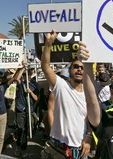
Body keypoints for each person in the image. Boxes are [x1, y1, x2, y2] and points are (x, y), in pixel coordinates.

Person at [41, 30, 91, 159]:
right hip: (58, 147)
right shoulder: (61, 86)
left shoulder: (90, 93)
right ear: (70, 71)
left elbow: (93, 119)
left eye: (82, 67)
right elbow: (46, 66)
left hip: (80, 149)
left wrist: (89, 137)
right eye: (75, 66)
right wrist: (48, 43)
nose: (79, 69)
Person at [13, 65, 39, 157]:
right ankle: (18, 146)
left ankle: (23, 149)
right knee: (20, 129)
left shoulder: (34, 84)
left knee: (26, 131)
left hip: (29, 110)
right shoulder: (21, 84)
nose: (25, 76)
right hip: (20, 110)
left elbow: (36, 98)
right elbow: (16, 79)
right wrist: (22, 68)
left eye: (27, 74)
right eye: (24, 75)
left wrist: (30, 92)